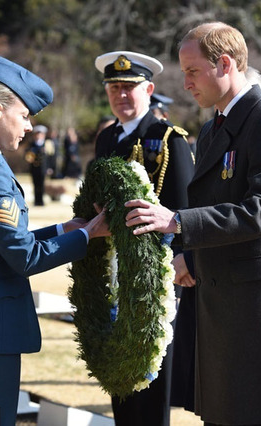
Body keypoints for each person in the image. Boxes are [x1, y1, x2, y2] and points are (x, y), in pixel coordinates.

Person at [124, 22, 261, 425]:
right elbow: (218, 205)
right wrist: (191, 260)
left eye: (192, 71)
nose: (185, 83)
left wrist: (177, 221)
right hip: (218, 303)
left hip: (254, 310)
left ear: (225, 64)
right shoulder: (214, 128)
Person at [0, 54, 109, 426]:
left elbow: (0, 240)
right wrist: (87, 234)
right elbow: (23, 257)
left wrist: (65, 229)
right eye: (25, 115)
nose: (29, 127)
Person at [94, 50, 195, 426]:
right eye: (114, 87)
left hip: (156, 274)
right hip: (114, 271)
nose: (121, 94)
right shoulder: (107, 139)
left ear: (149, 89)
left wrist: (180, 271)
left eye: (130, 87)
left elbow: (184, 210)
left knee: (152, 374)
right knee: (119, 369)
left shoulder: (167, 139)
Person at [24, 124, 50, 206]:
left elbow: (51, 158)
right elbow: (27, 156)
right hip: (34, 168)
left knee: (41, 184)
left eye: (41, 134)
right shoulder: (31, 145)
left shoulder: (47, 144)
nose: (39, 136)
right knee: (35, 184)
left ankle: (41, 200)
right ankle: (36, 200)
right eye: (37, 134)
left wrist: (50, 168)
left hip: (43, 168)